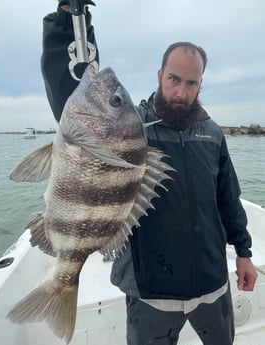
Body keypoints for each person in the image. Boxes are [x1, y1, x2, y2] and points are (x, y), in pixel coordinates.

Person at [41, 2, 258, 344]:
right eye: (174, 79)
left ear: (201, 85)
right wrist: (68, 20)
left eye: (191, 83)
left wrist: (244, 252)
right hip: (150, 290)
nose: (181, 92)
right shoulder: (131, 128)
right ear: (160, 76)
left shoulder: (213, 133)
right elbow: (73, 92)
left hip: (212, 285)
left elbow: (228, 199)